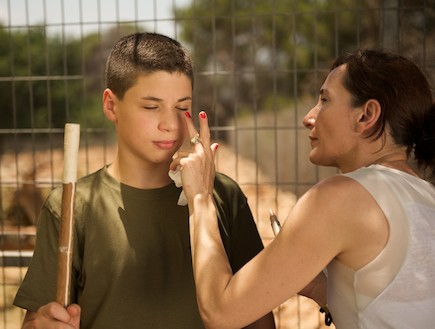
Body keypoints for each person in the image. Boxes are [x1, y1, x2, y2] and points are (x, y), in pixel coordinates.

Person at [13, 32, 275, 329]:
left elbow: (259, 318)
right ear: (111, 105)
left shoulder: (223, 195)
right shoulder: (73, 206)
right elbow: (36, 321)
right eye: (151, 107)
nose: (168, 123)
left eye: (182, 107)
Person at [174, 49, 435, 329]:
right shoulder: (426, 196)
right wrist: (321, 289)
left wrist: (200, 197)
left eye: (324, 100)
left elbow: (221, 313)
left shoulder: (342, 196)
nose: (309, 117)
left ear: (366, 115)